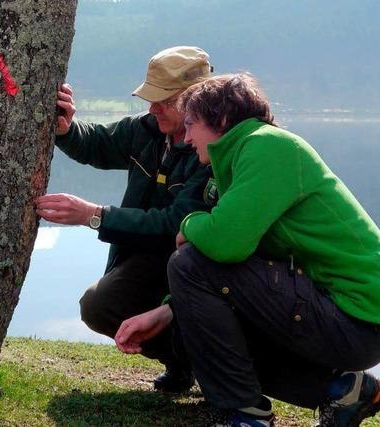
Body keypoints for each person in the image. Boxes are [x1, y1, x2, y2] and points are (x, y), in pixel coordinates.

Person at [114, 73, 380, 426]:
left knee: (189, 263)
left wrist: (188, 226)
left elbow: (225, 243)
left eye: (192, 124)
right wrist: (168, 312)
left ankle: (246, 414)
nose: (188, 136)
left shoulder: (267, 147)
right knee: (193, 324)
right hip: (338, 314)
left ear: (222, 121)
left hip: (357, 318)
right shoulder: (245, 156)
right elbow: (241, 258)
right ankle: (345, 391)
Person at [35, 46, 216, 392]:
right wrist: (66, 130)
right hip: (144, 259)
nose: (152, 108)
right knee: (98, 306)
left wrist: (93, 216)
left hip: (192, 265)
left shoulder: (211, 149)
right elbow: (99, 144)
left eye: (162, 100)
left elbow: (172, 223)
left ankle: (209, 366)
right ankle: (181, 362)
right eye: (151, 98)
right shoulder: (146, 129)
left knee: (109, 304)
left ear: (194, 99)